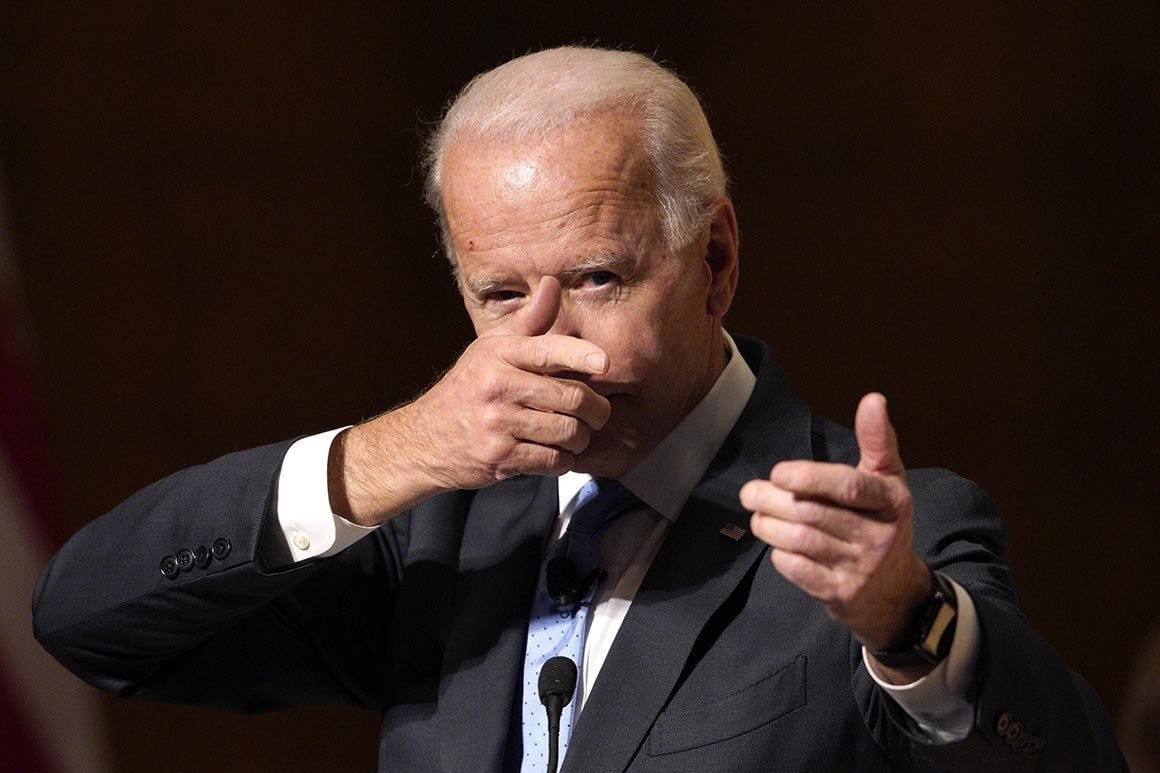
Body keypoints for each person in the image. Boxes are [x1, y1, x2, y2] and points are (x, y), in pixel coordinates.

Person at [33, 46, 1123, 771]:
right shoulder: (436, 537)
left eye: (598, 278)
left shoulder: (881, 543)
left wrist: (905, 622)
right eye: (501, 296)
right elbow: (86, 618)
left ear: (715, 259)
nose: (550, 345)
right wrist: (384, 457)